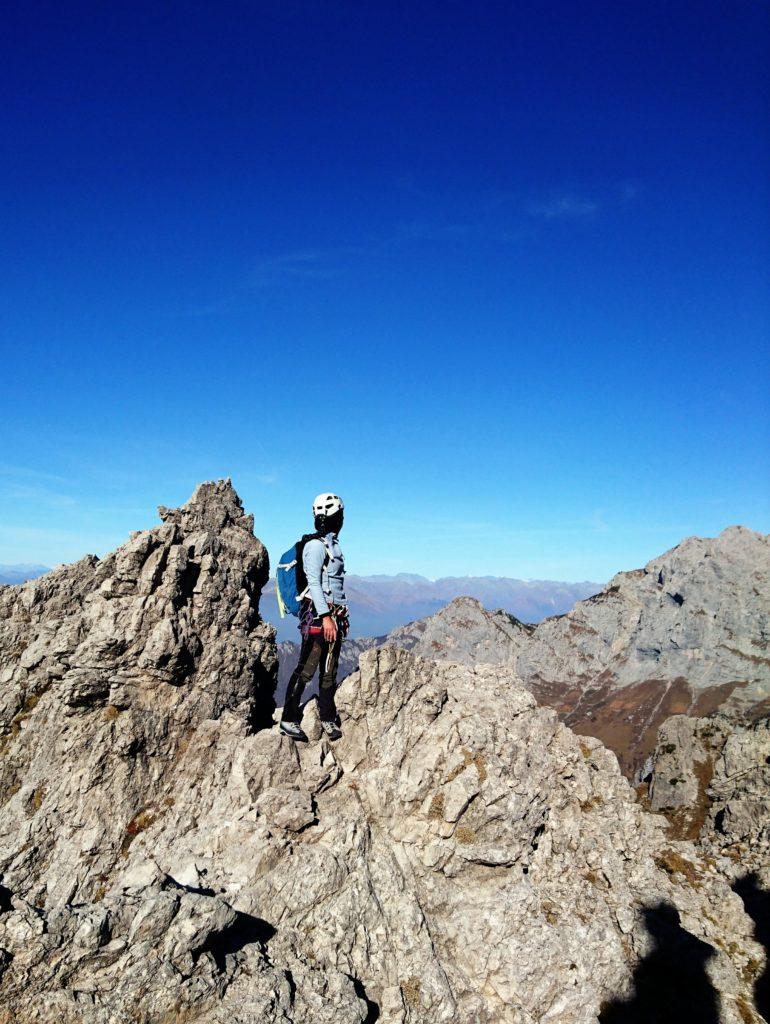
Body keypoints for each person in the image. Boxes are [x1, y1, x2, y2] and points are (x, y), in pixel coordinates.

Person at [280, 493, 349, 742]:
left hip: (333, 616)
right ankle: (288, 718)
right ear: (335, 517)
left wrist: (337, 616)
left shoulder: (331, 545)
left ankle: (328, 717)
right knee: (307, 668)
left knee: (329, 669)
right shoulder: (315, 547)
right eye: (339, 516)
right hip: (322, 618)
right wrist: (327, 617)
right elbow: (314, 584)